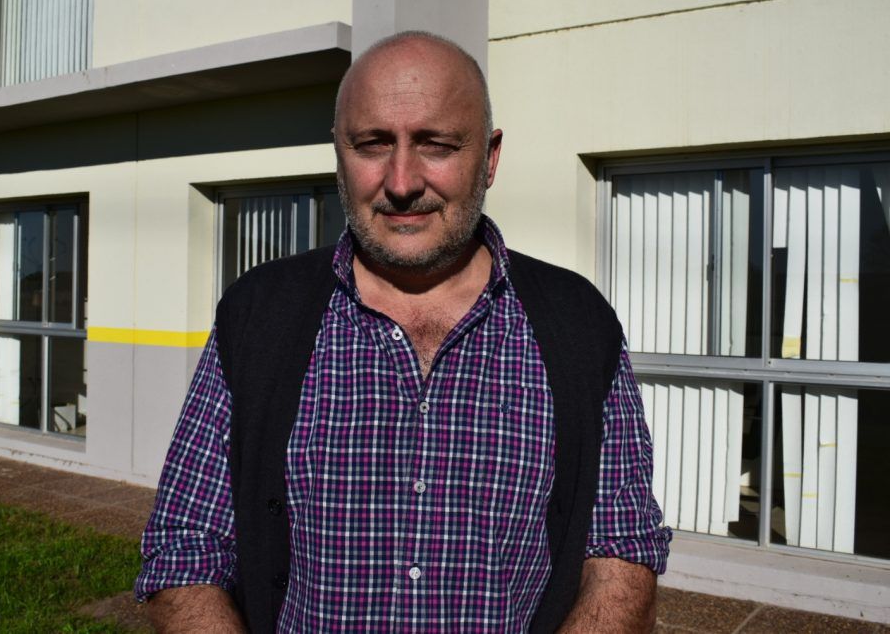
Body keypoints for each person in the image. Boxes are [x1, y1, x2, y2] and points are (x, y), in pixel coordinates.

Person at [136, 31, 671, 632]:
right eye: (372, 144)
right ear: (339, 155)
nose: (401, 182)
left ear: (490, 158)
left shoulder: (578, 324)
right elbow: (186, 546)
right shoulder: (257, 316)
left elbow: (622, 552)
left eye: (436, 144)